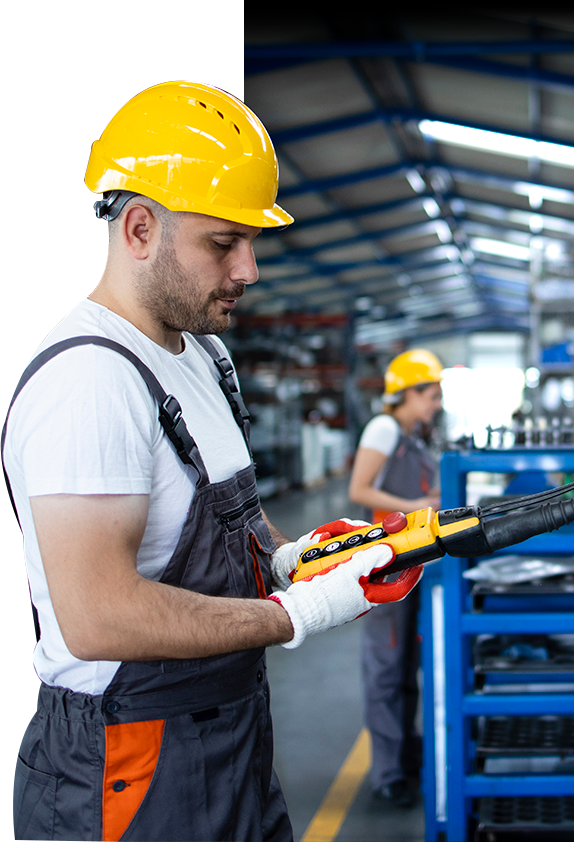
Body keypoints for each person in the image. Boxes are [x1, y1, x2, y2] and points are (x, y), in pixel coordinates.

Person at [2, 80, 420, 842]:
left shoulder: (201, 356)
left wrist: (293, 559)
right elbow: (96, 617)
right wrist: (294, 613)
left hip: (230, 732)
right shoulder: (90, 380)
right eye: (223, 243)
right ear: (137, 230)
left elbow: (228, 519)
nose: (249, 270)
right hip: (131, 760)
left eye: (250, 242)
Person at [348, 350, 443, 808]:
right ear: (405, 393)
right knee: (386, 666)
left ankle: (405, 756)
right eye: (430, 394)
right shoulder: (384, 429)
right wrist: (418, 503)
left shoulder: (413, 437)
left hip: (411, 562)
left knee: (407, 665)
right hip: (386, 564)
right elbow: (359, 490)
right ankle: (387, 771)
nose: (435, 404)